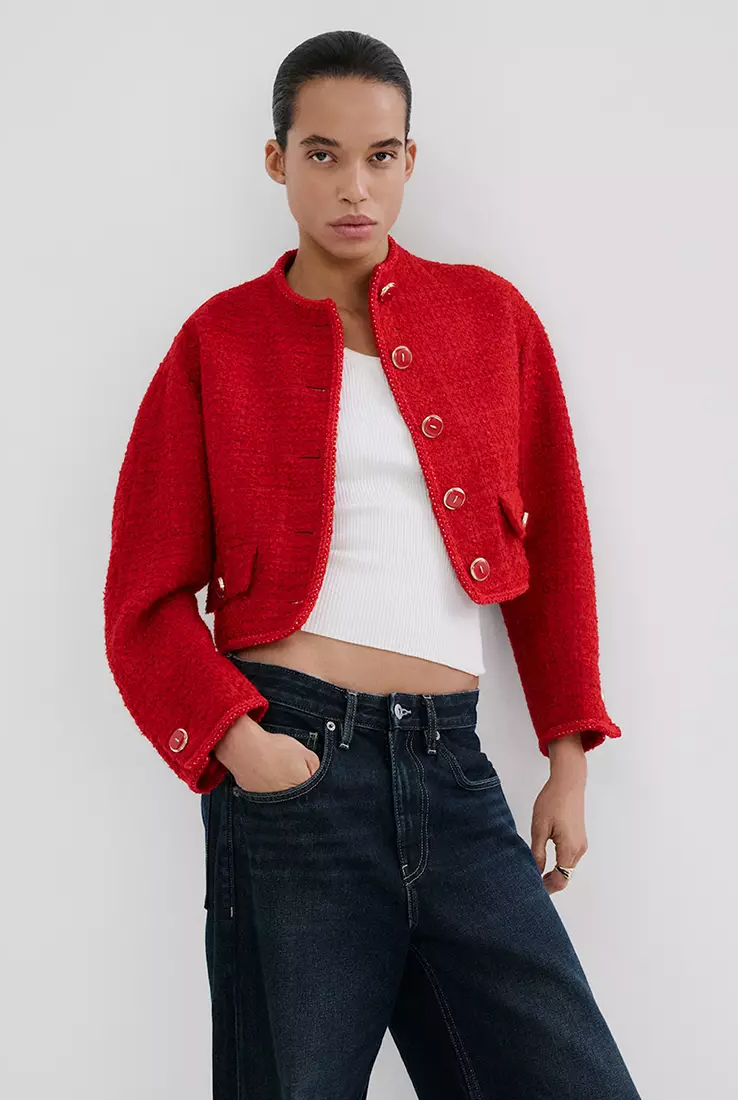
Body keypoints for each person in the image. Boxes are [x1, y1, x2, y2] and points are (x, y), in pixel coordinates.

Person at [104, 28, 642, 1100]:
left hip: (455, 773)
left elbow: (557, 550)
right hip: (292, 768)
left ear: (409, 159)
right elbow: (143, 597)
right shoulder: (218, 342)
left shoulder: (490, 319)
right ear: (277, 160)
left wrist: (569, 758)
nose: (355, 186)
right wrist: (241, 746)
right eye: (323, 154)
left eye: (381, 155)